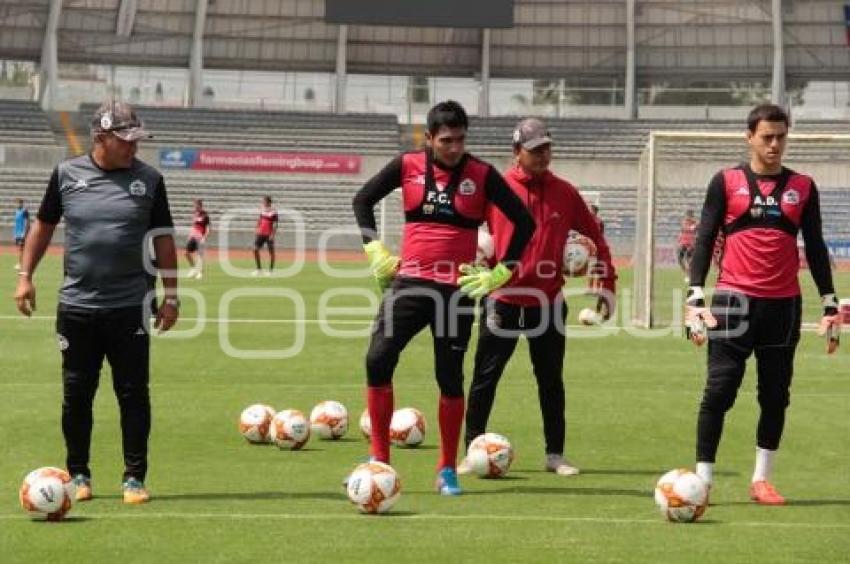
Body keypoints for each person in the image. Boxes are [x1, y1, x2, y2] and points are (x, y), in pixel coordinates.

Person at [351, 100, 535, 495]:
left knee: (449, 377)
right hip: (410, 283)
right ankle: (379, 459)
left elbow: (525, 222)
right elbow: (362, 199)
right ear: (429, 138)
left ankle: (446, 469)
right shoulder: (407, 166)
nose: (455, 148)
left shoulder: (481, 174)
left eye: (461, 140)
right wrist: (373, 250)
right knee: (377, 358)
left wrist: (502, 271)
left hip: (456, 291)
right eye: (447, 140)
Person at [14, 100, 179, 505]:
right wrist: (25, 277)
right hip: (78, 308)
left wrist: (171, 295)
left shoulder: (150, 180)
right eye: (126, 140)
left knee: (133, 394)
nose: (133, 148)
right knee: (77, 394)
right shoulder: (66, 175)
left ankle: (134, 479)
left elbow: (163, 240)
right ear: (100, 137)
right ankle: (79, 474)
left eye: (137, 140)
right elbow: (43, 225)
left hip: (131, 308)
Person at [685, 103, 841, 505]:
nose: (775, 144)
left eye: (781, 137)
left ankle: (761, 480)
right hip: (732, 303)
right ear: (749, 137)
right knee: (719, 391)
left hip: (783, 307)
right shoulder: (726, 181)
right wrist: (694, 295)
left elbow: (817, 247)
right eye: (767, 137)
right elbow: (704, 238)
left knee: (775, 395)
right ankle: (703, 480)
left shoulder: (803, 187)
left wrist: (829, 303)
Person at [461, 118, 617, 476]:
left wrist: (606, 282)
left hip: (548, 302)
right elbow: (466, 229)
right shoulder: (495, 188)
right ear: (517, 152)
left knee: (550, 380)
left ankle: (555, 455)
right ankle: (472, 451)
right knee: (486, 377)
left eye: (546, 148)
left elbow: (597, 237)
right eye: (535, 150)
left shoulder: (566, 192)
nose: (543, 155)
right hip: (502, 299)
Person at [253, 195, 278, 276]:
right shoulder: (262, 210)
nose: (263, 203)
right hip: (261, 233)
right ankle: (259, 269)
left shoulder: (273, 212)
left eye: (264, 201)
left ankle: (271, 270)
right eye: (263, 201)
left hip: (269, 234)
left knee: (271, 252)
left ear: (269, 202)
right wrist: (257, 228)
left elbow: (275, 224)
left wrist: (272, 235)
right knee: (255, 249)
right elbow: (260, 219)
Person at [186, 199, 210, 279]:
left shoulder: (205, 215)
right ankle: (193, 269)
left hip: (200, 238)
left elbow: (208, 228)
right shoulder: (195, 214)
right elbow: (194, 226)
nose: (195, 207)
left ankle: (200, 273)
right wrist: (190, 235)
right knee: (187, 253)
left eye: (196, 205)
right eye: (194, 205)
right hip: (192, 237)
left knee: (200, 255)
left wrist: (204, 237)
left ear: (200, 205)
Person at [677, 209, 698, 283]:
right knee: (679, 259)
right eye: (687, 215)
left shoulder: (695, 223)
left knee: (688, 260)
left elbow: (696, 231)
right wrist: (679, 240)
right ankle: (687, 274)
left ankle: (689, 275)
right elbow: (681, 232)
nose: (687, 217)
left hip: (691, 244)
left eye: (689, 215)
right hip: (683, 243)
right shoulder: (683, 222)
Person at [13, 198, 30, 271]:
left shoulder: (24, 211)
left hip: (22, 233)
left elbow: (27, 222)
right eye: (17, 203)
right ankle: (22, 263)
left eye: (19, 203)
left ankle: (20, 264)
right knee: (20, 249)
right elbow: (16, 223)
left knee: (21, 249)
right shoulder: (16, 211)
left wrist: (24, 233)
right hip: (17, 233)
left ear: (22, 204)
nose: (18, 204)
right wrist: (15, 233)